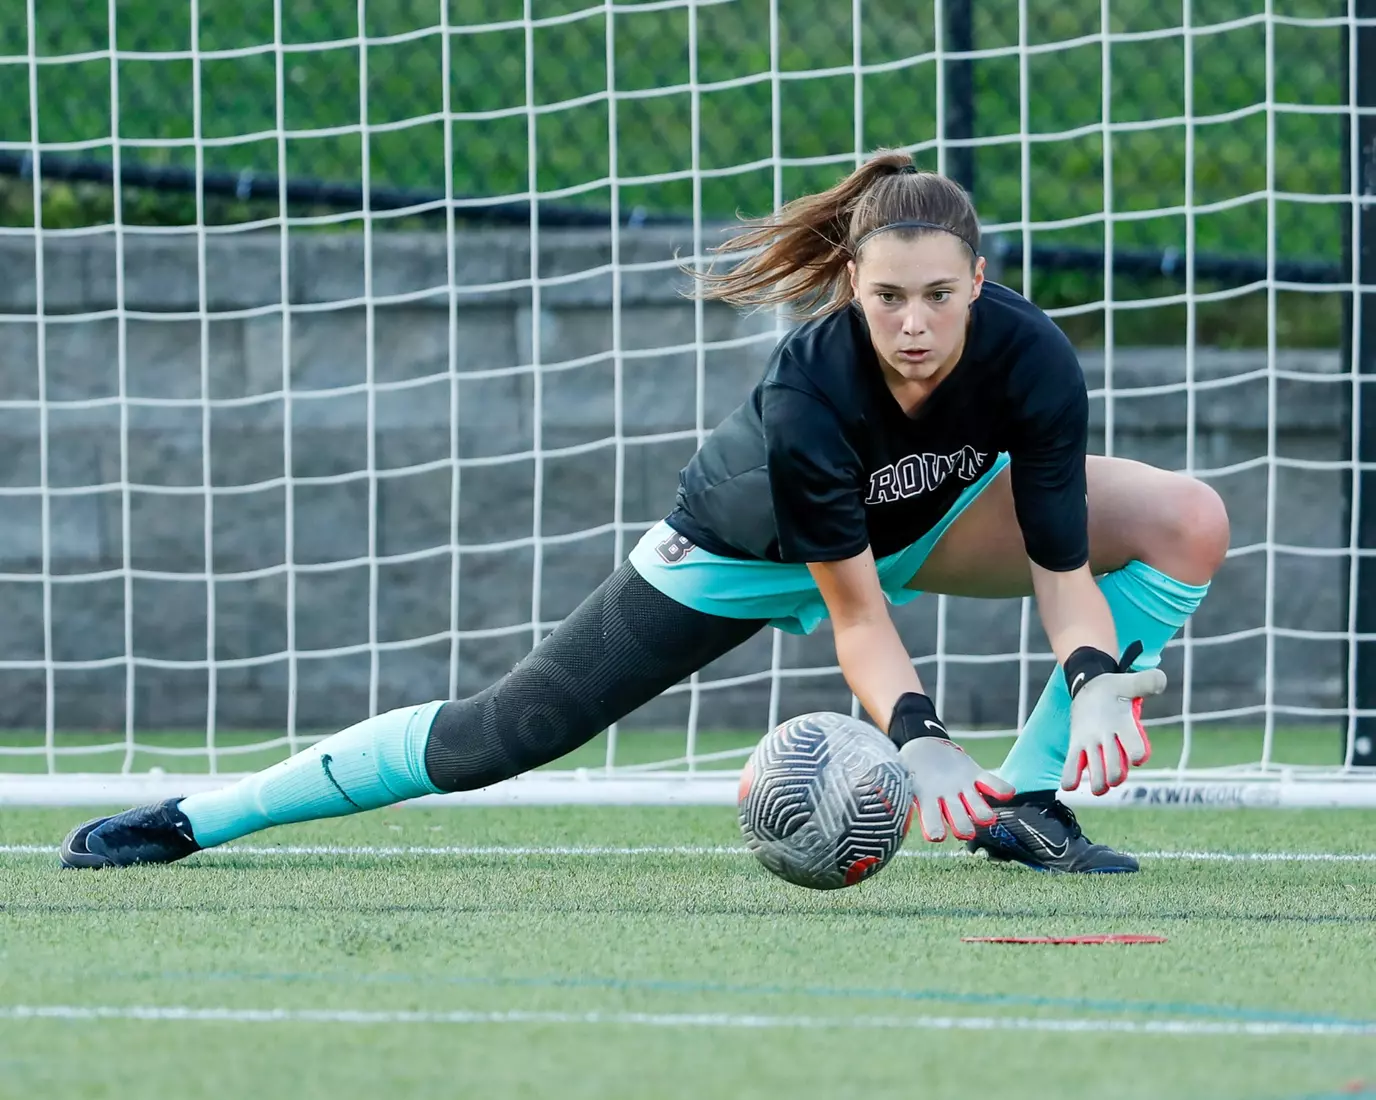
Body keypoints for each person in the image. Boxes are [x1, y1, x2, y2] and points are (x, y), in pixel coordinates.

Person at [59, 150, 1228, 874]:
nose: (912, 322)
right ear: (848, 290)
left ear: (978, 281)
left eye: (936, 294)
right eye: (884, 297)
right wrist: (918, 741)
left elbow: (1063, 566)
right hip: (737, 553)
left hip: (929, 518)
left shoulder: (1032, 358)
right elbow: (856, 619)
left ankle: (1018, 809)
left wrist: (1095, 680)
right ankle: (194, 816)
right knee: (498, 734)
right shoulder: (806, 393)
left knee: (1184, 518)